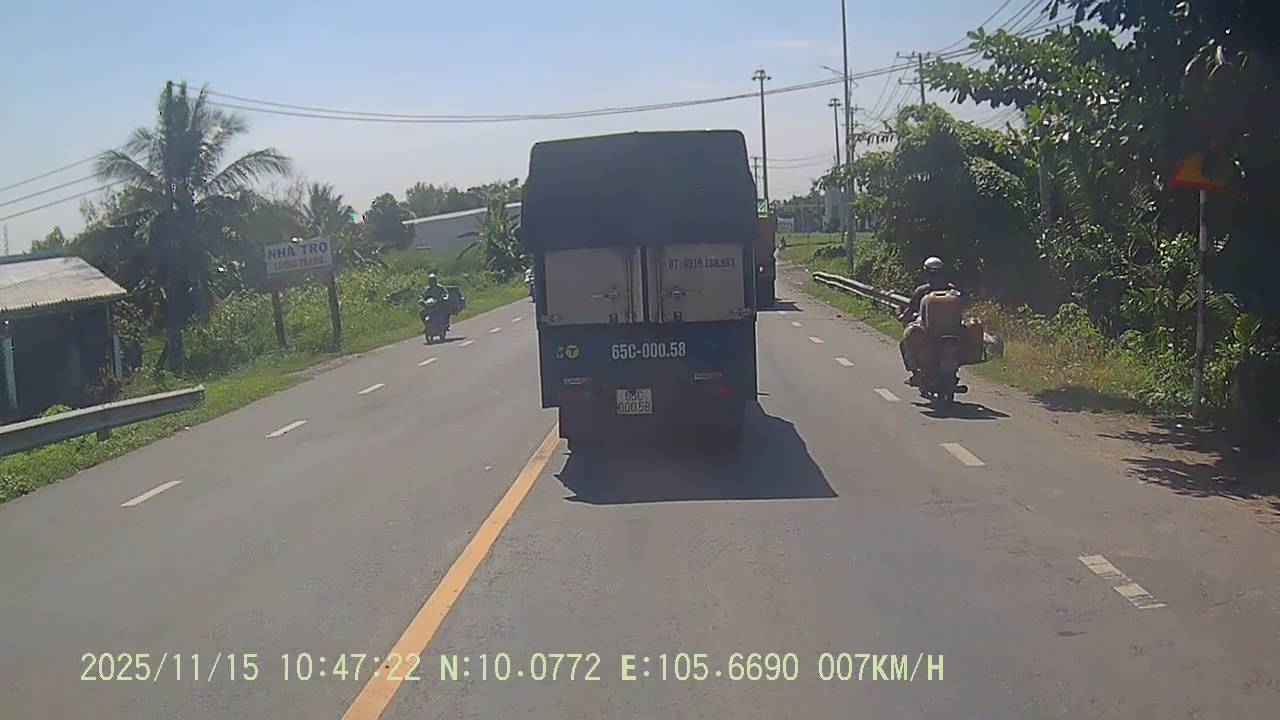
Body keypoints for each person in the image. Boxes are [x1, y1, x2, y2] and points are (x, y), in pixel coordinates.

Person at [899, 257, 961, 385]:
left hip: (929, 330)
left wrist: (902, 316)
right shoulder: (952, 290)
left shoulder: (922, 291)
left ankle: (915, 373)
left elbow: (910, 311)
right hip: (952, 329)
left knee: (906, 339)